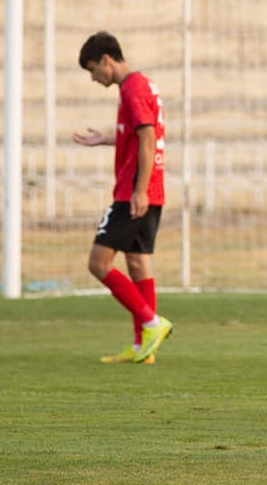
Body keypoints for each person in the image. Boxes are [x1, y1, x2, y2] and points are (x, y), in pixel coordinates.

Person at [73, 31, 173, 364]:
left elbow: (147, 140)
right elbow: (142, 136)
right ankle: (143, 348)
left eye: (92, 69)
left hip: (134, 191)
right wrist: (109, 139)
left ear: (106, 60)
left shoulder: (132, 89)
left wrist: (139, 190)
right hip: (149, 189)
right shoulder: (142, 86)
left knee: (98, 263)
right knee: (137, 261)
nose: (93, 78)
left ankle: (151, 323)